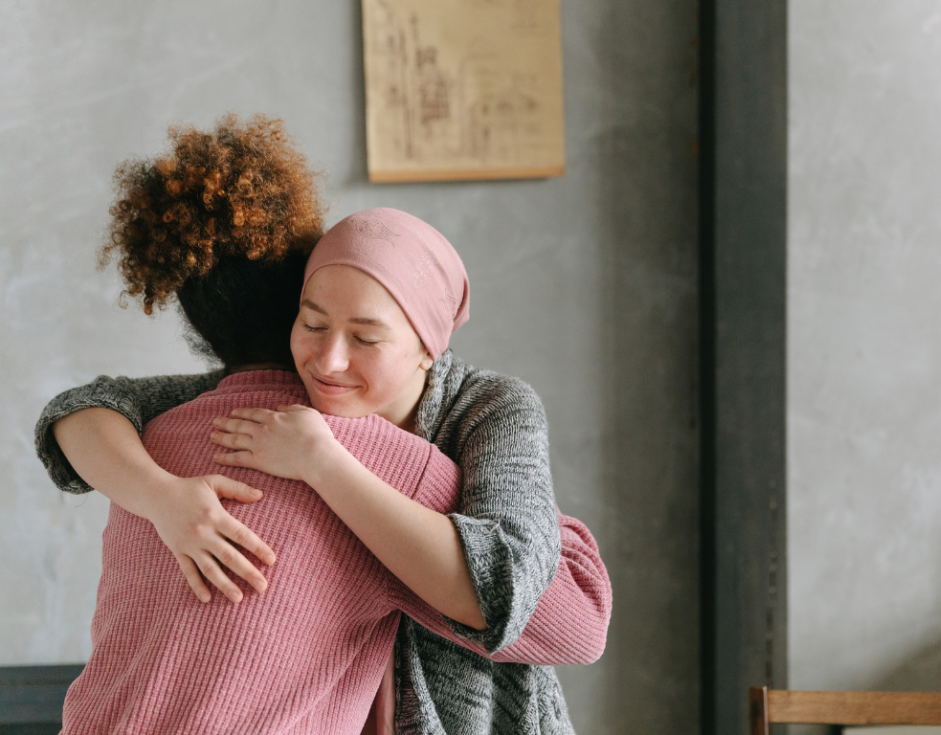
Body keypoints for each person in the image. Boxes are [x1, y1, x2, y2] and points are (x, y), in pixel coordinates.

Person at [36, 116, 611, 734]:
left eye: (365, 337)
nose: (329, 361)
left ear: (428, 348)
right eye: (311, 325)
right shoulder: (258, 408)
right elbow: (86, 406)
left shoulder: (487, 410)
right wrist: (165, 499)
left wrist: (325, 463)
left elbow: (544, 605)